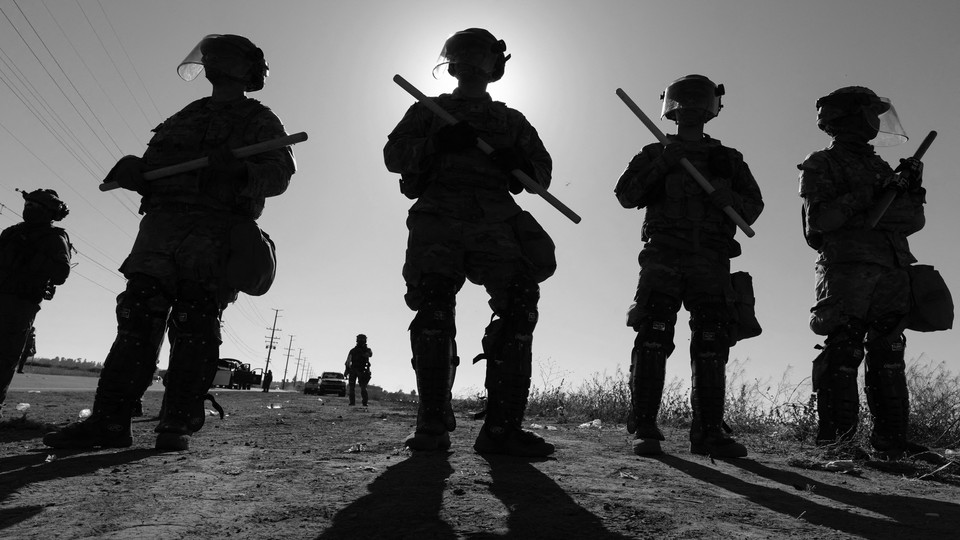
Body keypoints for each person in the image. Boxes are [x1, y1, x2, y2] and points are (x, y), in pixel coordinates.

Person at [43, 34, 296, 451]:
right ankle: (110, 421)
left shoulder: (259, 119)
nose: (211, 61)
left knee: (195, 323)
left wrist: (237, 170)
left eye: (220, 55)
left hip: (213, 234)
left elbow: (280, 175)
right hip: (160, 231)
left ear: (241, 67)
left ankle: (177, 422)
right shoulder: (187, 114)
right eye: (210, 55)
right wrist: (135, 170)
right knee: (137, 319)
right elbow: (157, 165)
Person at [384, 28, 557, 456]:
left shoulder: (511, 121)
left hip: (497, 223)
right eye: (465, 57)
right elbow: (393, 156)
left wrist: (517, 163)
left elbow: (541, 176)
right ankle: (432, 422)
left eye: (482, 57)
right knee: (433, 311)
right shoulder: (429, 111)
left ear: (494, 66)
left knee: (518, 307)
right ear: (453, 64)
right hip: (439, 219)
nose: (473, 65)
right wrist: (436, 142)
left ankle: (501, 431)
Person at [614, 75, 764, 458]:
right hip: (663, 256)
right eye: (685, 101)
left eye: (700, 101)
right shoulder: (654, 151)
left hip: (711, 261)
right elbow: (627, 196)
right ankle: (645, 426)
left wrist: (722, 191)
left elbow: (753, 208)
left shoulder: (728, 159)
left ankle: (710, 432)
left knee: (712, 343)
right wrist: (663, 164)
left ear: (712, 107)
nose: (692, 108)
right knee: (653, 334)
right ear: (672, 108)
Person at [798, 86, 927, 458]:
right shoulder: (822, 162)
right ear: (851, 117)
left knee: (889, 349)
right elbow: (820, 222)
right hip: (848, 270)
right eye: (870, 112)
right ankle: (837, 442)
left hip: (892, 267)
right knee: (844, 347)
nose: (877, 121)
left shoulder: (879, 166)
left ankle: (892, 442)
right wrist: (871, 196)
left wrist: (910, 189)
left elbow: (912, 220)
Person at [0, 190, 72, 418]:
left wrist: (34, 261)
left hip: (21, 303)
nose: (28, 208)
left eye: (35, 205)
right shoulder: (11, 233)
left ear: (49, 212)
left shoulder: (54, 238)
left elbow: (61, 272)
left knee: (5, 355)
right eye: (28, 204)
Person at [344, 334, 373, 406]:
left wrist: (347, 370)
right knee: (354, 387)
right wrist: (347, 370)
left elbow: (369, 354)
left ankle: (362, 402)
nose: (361, 341)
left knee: (362, 387)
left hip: (362, 370)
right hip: (355, 369)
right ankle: (355, 402)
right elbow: (348, 361)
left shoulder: (365, 350)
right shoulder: (353, 351)